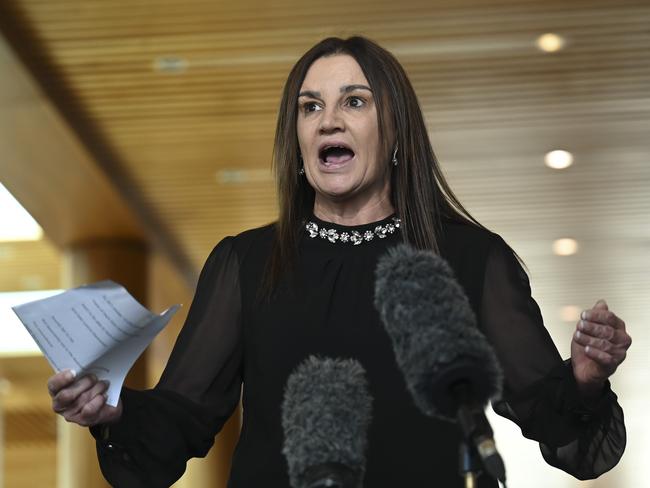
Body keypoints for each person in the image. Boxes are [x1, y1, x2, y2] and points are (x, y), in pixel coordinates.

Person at [47, 36, 632, 487]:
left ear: (395, 128)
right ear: (297, 140)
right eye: (310, 108)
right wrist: (113, 412)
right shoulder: (245, 263)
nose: (329, 120)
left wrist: (583, 377)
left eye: (354, 101)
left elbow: (562, 431)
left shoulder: (471, 259)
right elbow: (178, 423)